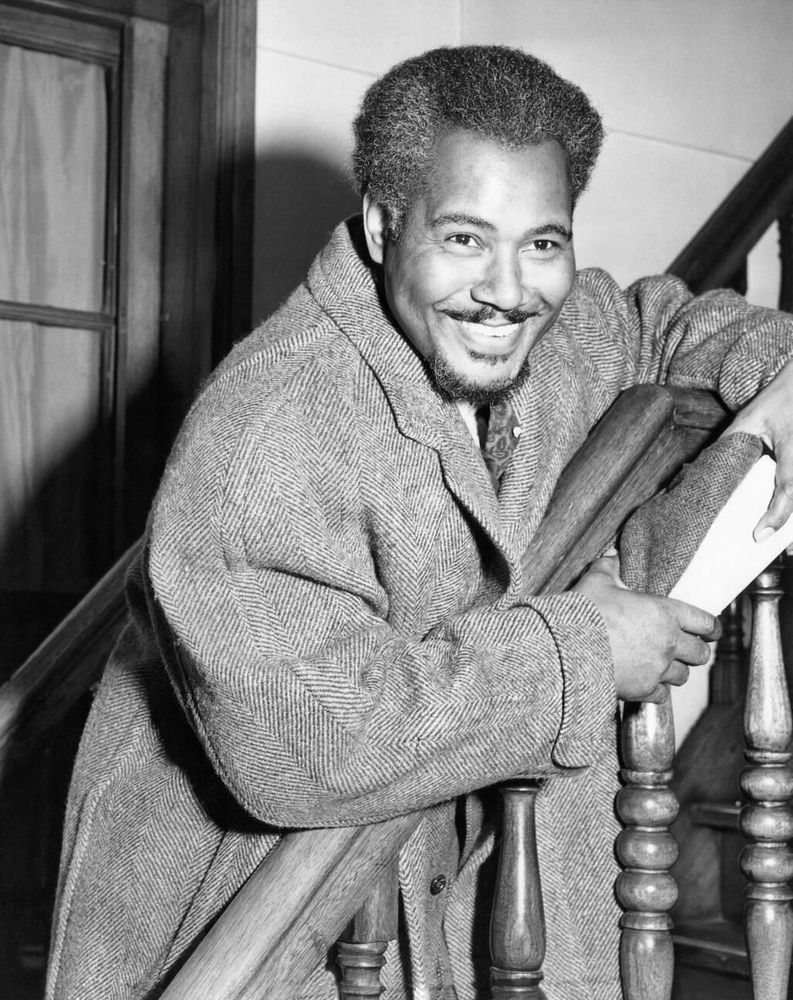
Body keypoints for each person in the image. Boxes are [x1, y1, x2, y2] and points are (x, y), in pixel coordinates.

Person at [46, 45, 793, 1000]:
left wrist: (777, 364)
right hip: (248, 927)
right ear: (379, 225)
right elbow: (304, 737)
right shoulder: (262, 432)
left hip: (444, 906)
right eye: (464, 239)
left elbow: (661, 321)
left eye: (544, 242)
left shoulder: (558, 333)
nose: (509, 290)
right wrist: (580, 658)